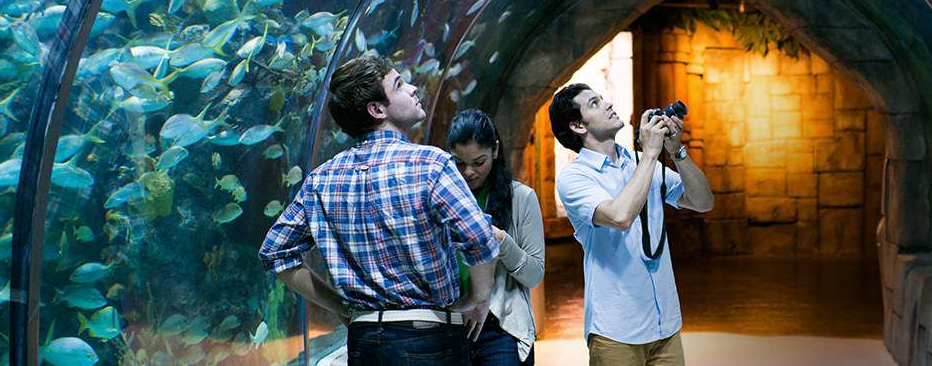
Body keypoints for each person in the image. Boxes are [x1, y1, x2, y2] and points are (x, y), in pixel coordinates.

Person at [258, 55, 501, 365]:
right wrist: (479, 298)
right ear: (377, 109)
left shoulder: (321, 179)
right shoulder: (431, 164)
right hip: (429, 338)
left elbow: (275, 253)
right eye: (399, 85)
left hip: (364, 343)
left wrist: (341, 306)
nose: (412, 88)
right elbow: (479, 238)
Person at [549, 84, 715, 366]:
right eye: (594, 103)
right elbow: (620, 216)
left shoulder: (639, 164)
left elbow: (703, 202)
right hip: (616, 332)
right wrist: (650, 153)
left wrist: (677, 151)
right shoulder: (574, 177)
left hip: (665, 325)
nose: (607, 104)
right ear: (577, 126)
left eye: (602, 98)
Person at [446, 108, 546, 365]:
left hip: (500, 326)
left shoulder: (520, 198)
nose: (469, 172)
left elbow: (534, 275)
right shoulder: (441, 198)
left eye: (478, 162)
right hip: (451, 324)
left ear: (495, 151)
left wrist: (501, 241)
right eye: (460, 163)